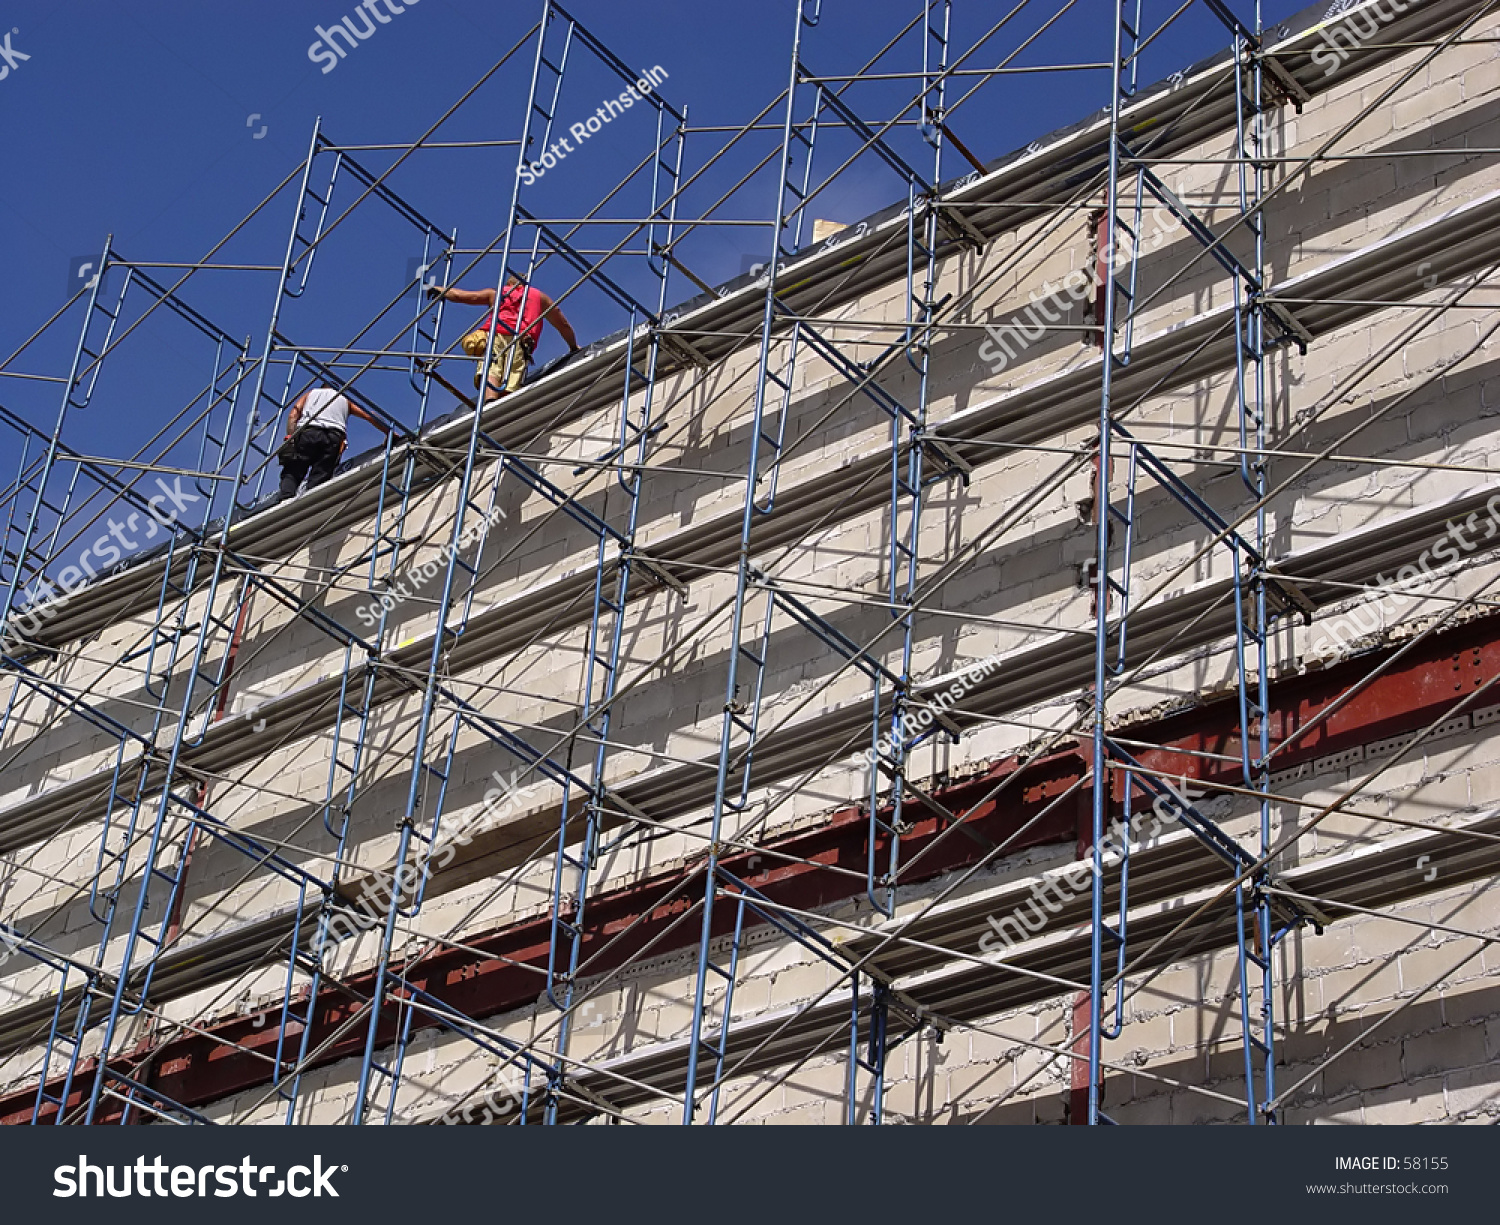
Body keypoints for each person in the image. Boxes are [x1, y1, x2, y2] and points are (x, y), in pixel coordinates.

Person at [427, 273, 580, 403]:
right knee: (512, 375)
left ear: (509, 283)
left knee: (491, 367)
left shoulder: (497, 293)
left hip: (496, 333)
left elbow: (464, 296)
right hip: (522, 338)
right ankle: (504, 405)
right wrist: (573, 346)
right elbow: (562, 324)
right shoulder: (539, 297)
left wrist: (439, 289)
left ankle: (490, 400)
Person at [277, 384, 390, 499]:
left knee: (294, 469)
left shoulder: (311, 393)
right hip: (333, 438)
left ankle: (286, 497)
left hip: (308, 432)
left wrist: (291, 437)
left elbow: (293, 415)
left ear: (323, 388)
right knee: (321, 475)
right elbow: (369, 415)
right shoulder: (344, 399)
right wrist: (388, 432)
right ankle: (312, 501)